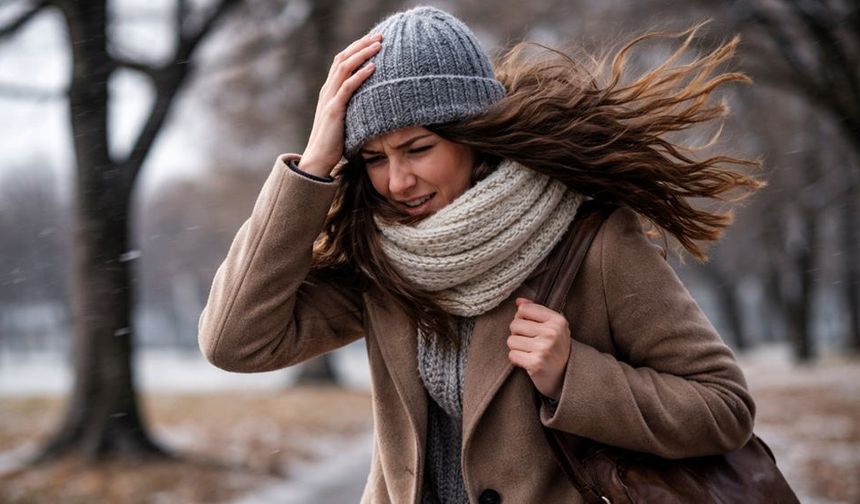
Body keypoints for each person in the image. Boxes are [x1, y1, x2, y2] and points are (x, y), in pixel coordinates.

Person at [198, 5, 764, 504]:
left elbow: (724, 410)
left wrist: (575, 375)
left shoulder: (594, 241)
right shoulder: (385, 262)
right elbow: (235, 341)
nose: (396, 181)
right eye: (372, 158)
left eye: (418, 148)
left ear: (475, 137)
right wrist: (313, 165)